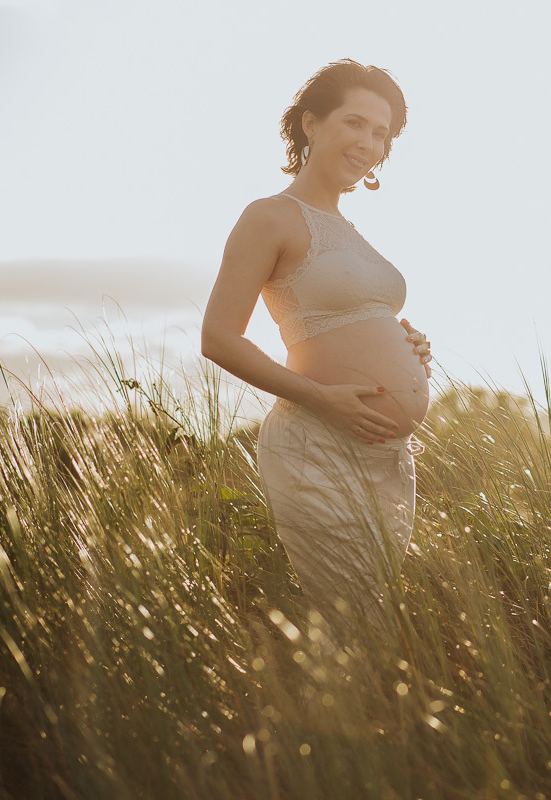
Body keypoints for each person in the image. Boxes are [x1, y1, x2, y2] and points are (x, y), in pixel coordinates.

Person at [200, 59, 432, 647]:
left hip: (384, 455)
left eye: (381, 133)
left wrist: (409, 348)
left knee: (374, 624)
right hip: (317, 443)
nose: (369, 143)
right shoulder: (270, 216)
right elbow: (219, 337)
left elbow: (352, 319)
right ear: (310, 124)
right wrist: (322, 397)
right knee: (349, 626)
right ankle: (310, 735)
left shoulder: (352, 232)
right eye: (355, 123)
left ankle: (356, 735)